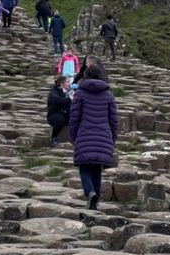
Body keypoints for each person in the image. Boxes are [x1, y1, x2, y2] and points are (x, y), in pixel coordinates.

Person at [69, 64, 119, 209]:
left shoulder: (80, 93)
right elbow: (113, 120)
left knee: (84, 166)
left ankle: (90, 192)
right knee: (97, 167)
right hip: (104, 135)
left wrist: (73, 136)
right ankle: (95, 199)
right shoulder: (108, 95)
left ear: (86, 76)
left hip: (84, 134)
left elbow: (74, 117)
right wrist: (113, 138)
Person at [47, 74, 71, 147]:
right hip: (54, 114)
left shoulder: (68, 91)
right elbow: (56, 100)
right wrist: (69, 100)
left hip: (66, 114)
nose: (68, 83)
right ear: (62, 84)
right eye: (67, 82)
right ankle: (54, 138)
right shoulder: (54, 91)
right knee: (60, 120)